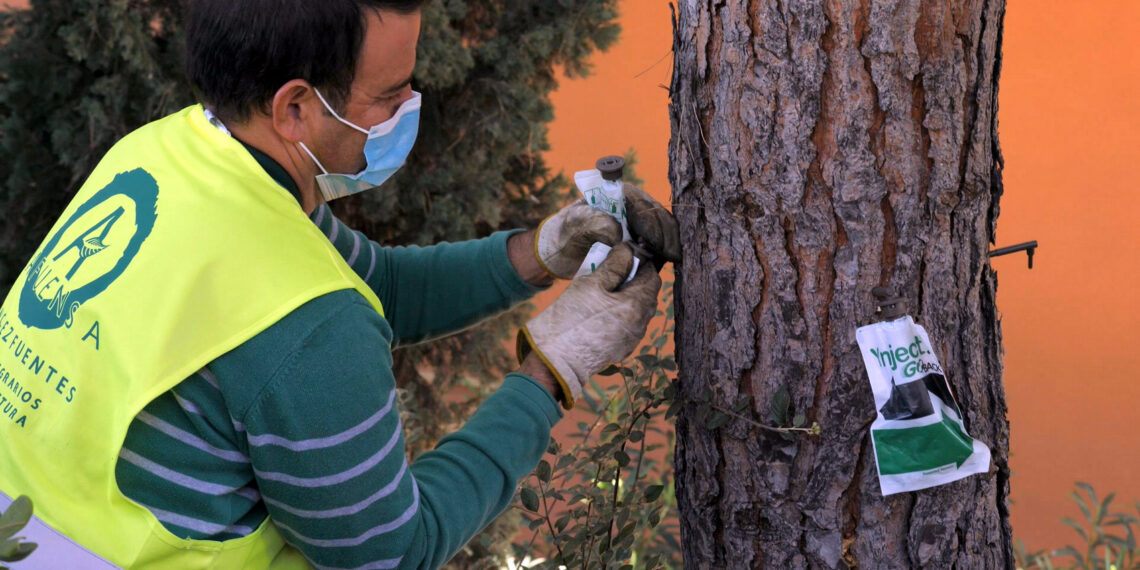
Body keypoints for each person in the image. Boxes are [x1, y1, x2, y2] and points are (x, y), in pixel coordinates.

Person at [0, 0, 681, 568]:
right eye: (389, 96)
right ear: (295, 107)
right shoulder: (307, 324)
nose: (410, 108)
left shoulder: (164, 155)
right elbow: (390, 552)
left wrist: (539, 253)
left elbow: (376, 281)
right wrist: (554, 371)